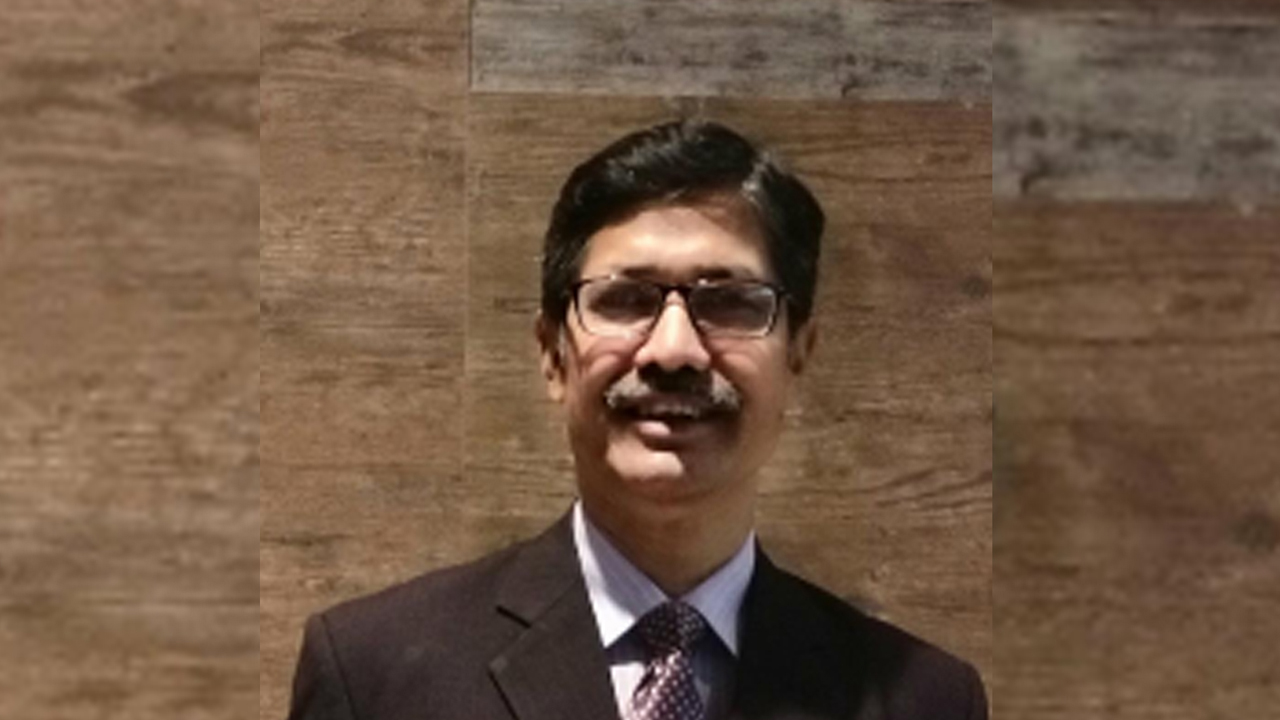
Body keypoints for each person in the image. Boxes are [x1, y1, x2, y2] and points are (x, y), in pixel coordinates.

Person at [286, 120, 989, 720]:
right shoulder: (374, 676)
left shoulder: (924, 701)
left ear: (799, 351)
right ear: (552, 355)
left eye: (730, 301)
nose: (673, 350)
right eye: (625, 300)